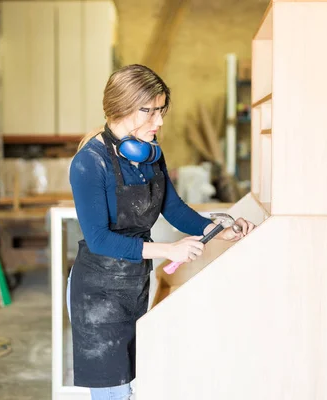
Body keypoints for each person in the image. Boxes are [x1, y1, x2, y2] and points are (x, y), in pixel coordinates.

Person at [67, 64, 255, 400]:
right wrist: (169, 250)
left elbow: (174, 208)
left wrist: (217, 230)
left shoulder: (151, 154)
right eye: (150, 111)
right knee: (114, 394)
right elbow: (99, 239)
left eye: (161, 110)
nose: (160, 121)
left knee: (136, 384)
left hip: (135, 282)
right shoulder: (88, 162)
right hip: (98, 294)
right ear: (123, 107)